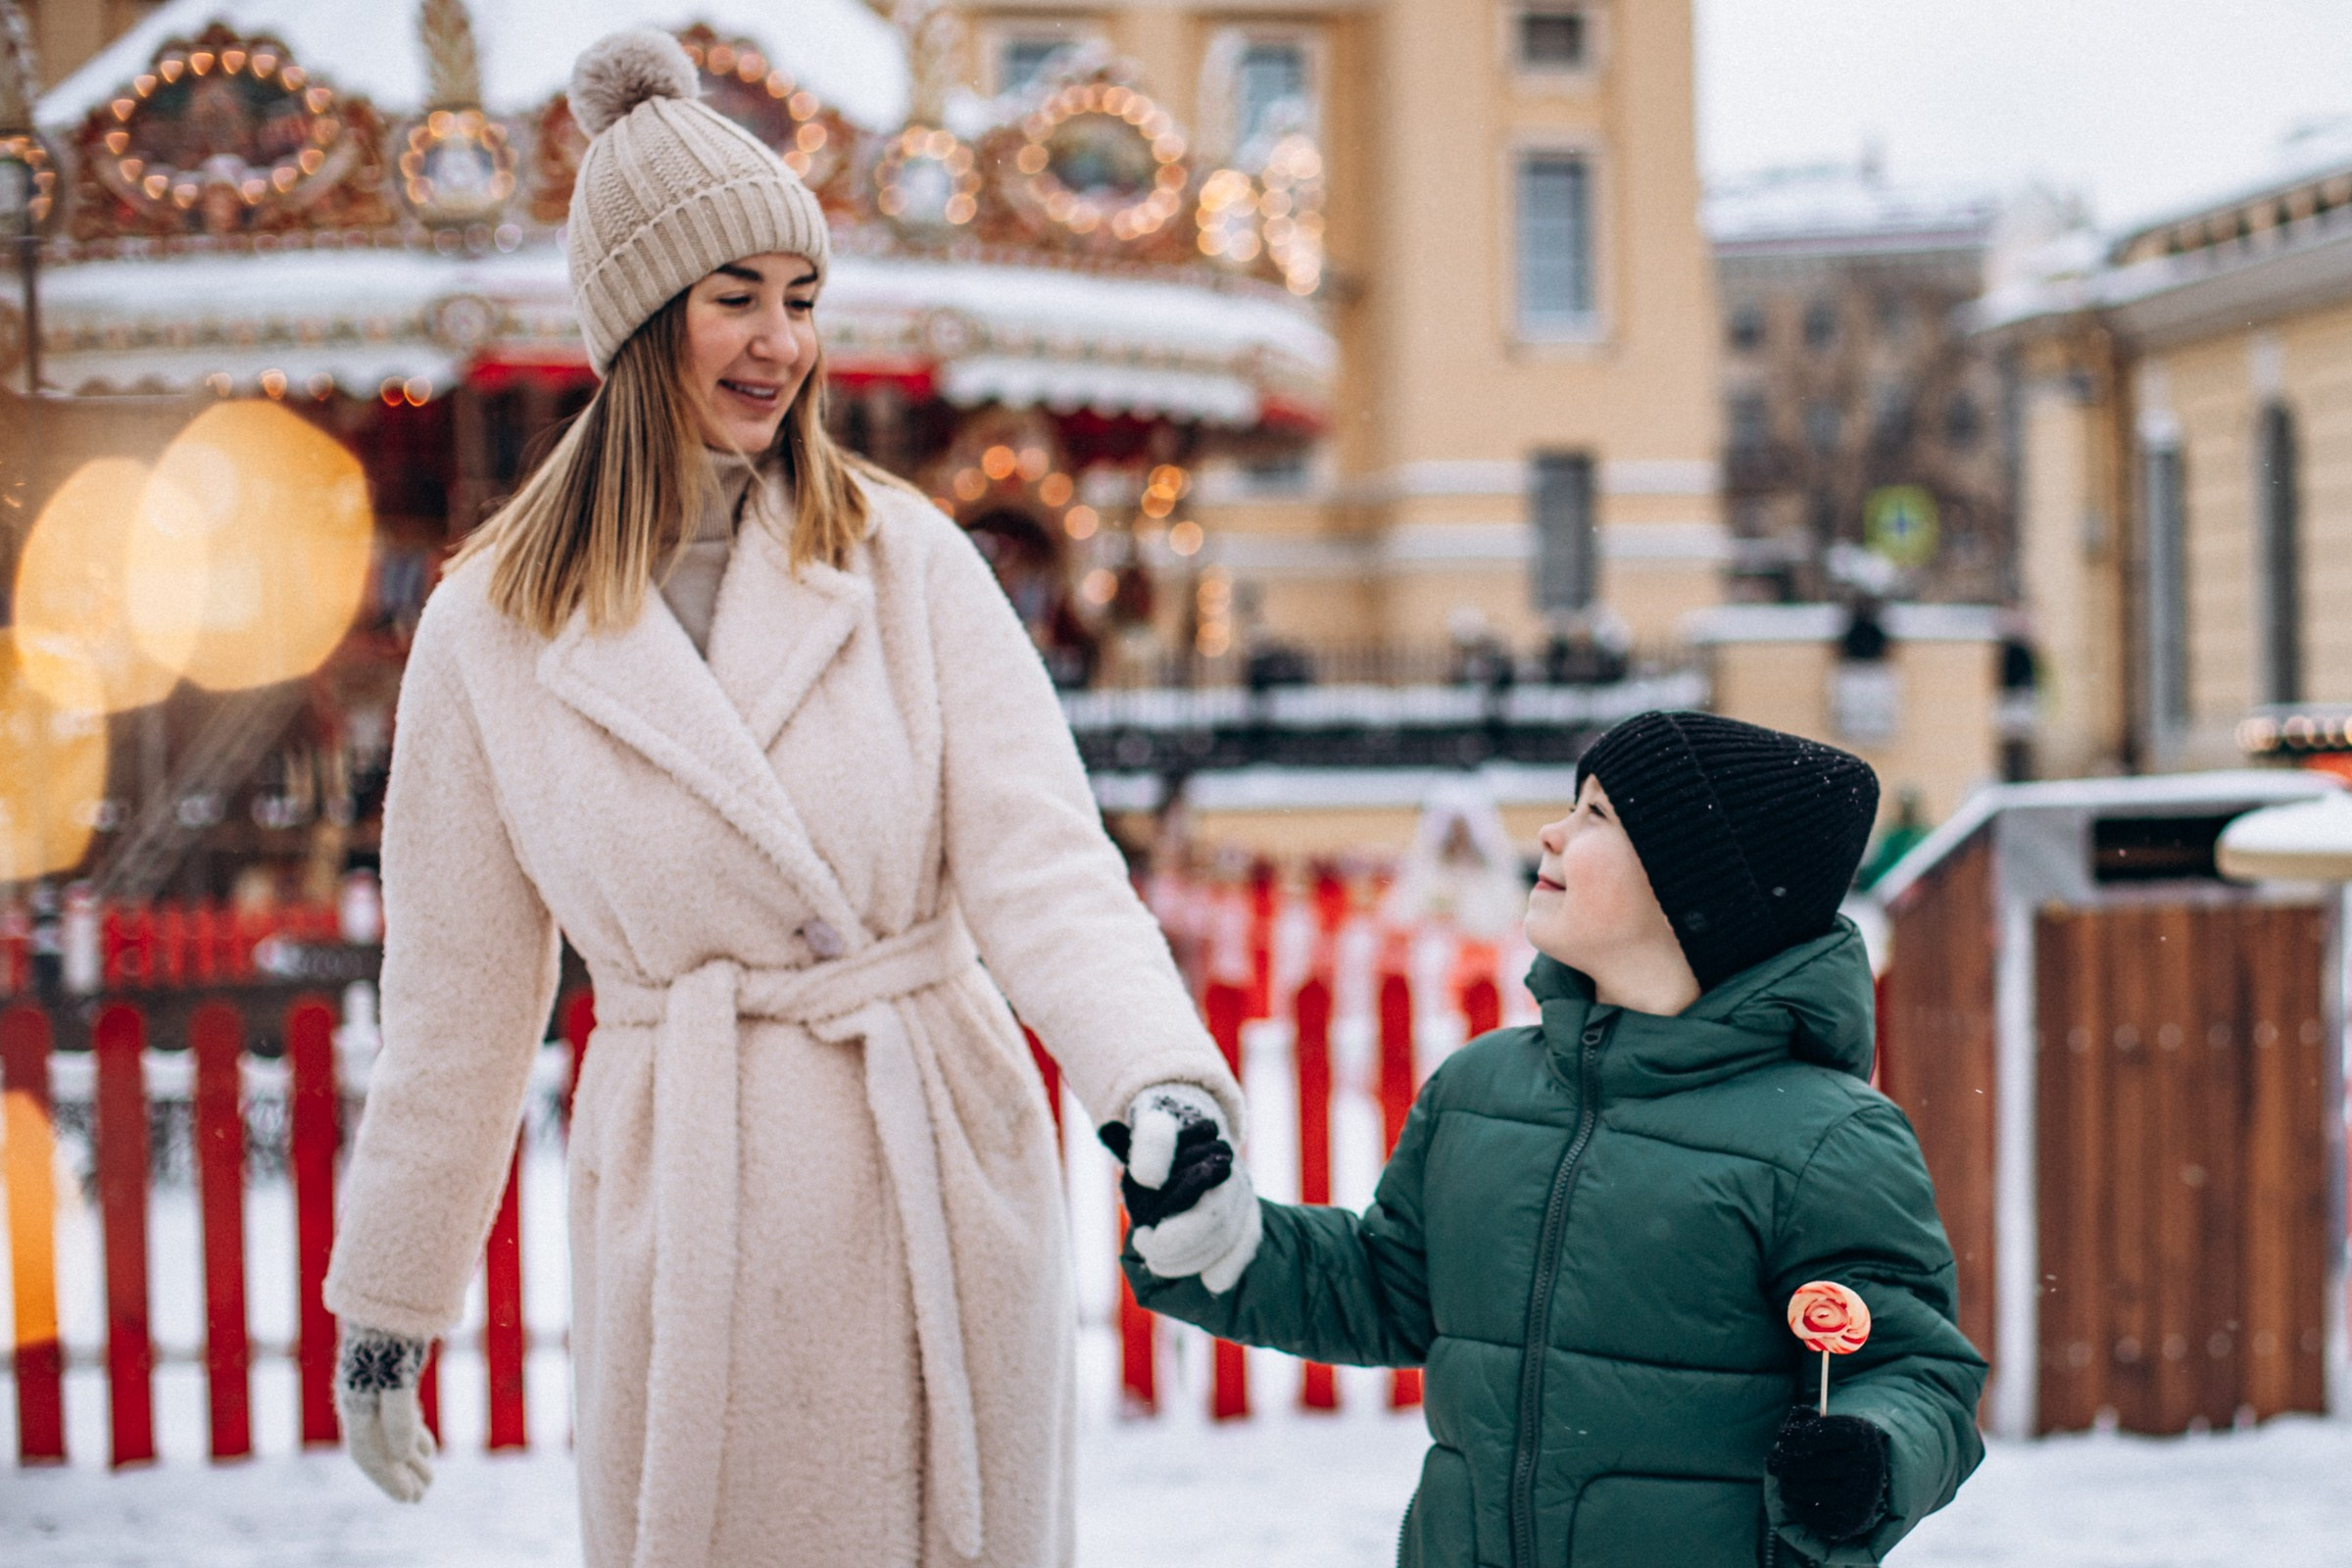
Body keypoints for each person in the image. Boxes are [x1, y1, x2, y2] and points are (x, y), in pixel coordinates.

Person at [321, 30, 1251, 1568]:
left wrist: (1160, 1084)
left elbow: (1043, 868)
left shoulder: (903, 560)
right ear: (637, 318)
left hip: (932, 1173)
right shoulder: (492, 629)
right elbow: (458, 1005)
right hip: (692, 1199)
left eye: (800, 299)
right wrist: (390, 1305)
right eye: (732, 299)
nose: (778, 344)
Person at [1118, 710, 1986, 1567]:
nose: (1552, 832)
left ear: (1701, 889)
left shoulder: (1825, 1140)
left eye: (1598, 816)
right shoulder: (1480, 1091)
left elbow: (1917, 1373)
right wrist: (1225, 1241)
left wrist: (1871, 1455)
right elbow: (1386, 1289)